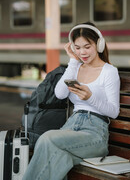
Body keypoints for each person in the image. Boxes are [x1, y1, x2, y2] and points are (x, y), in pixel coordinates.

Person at [22, 22, 120, 180]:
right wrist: (73, 61)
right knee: (59, 158)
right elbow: (60, 94)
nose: (83, 52)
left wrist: (90, 98)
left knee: (47, 139)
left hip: (94, 134)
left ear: (99, 44)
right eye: (78, 47)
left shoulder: (109, 71)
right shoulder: (76, 67)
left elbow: (114, 112)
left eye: (87, 47)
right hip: (70, 128)